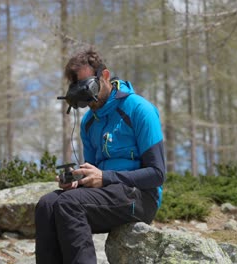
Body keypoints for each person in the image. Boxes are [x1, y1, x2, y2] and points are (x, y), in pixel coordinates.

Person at [35, 48, 166, 264]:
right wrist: (78, 181)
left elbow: (157, 173)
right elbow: (94, 175)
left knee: (69, 205)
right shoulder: (89, 123)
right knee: (47, 205)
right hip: (107, 194)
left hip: (141, 197)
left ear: (104, 76)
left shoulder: (140, 109)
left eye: (89, 87)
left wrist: (106, 177)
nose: (88, 100)